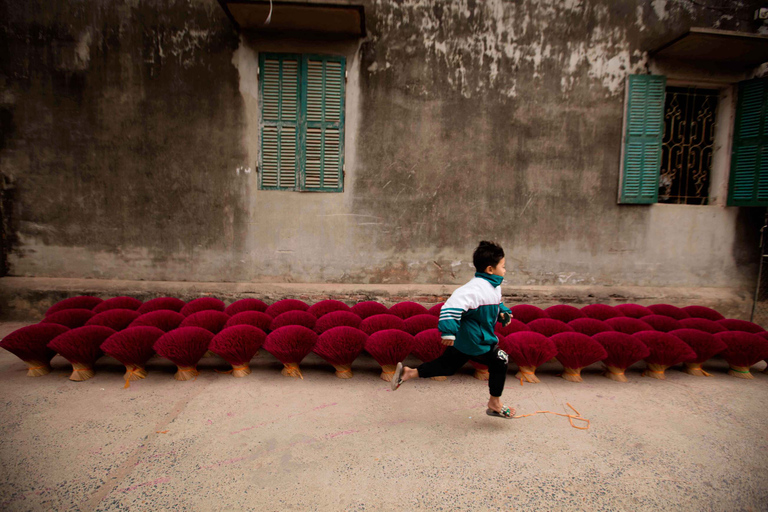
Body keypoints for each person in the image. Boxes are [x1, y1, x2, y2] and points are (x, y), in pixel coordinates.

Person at [392, 241, 516, 419]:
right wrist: (448, 331)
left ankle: (409, 372)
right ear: (490, 269)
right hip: (475, 340)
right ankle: (494, 403)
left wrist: (503, 313)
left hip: (466, 340)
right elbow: (451, 308)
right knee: (500, 360)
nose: (505, 270)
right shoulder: (472, 289)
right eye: (503, 267)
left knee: (447, 367)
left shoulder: (494, 286)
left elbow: (496, 303)